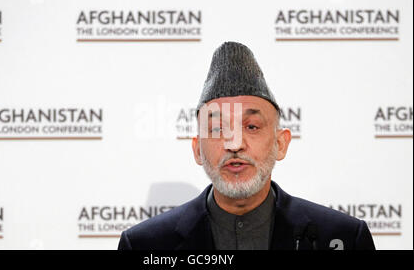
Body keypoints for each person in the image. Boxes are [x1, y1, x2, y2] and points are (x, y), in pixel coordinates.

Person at [118, 41, 375, 250]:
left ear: (280, 143)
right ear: (197, 149)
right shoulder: (145, 246)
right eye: (218, 129)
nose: (235, 144)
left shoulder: (344, 238)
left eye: (251, 127)